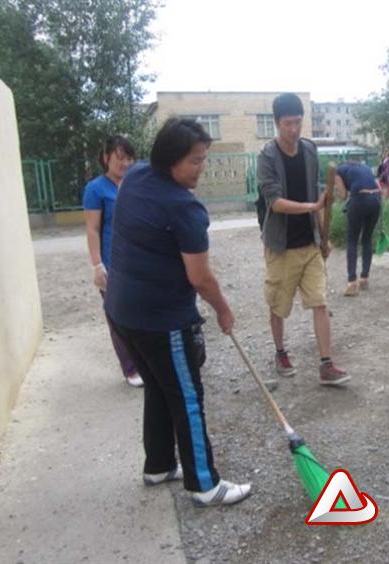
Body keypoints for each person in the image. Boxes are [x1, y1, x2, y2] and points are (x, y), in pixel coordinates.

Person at [104, 118, 251, 506]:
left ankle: (159, 465)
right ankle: (205, 485)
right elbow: (200, 277)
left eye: (204, 159)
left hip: (122, 311)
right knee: (186, 396)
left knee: (157, 385)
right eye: (195, 161)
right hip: (160, 320)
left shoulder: (135, 177)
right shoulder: (183, 207)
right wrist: (224, 310)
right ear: (170, 160)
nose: (202, 168)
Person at [257, 93, 349, 386]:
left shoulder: (309, 151)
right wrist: (313, 207)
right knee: (278, 306)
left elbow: (316, 194)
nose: (294, 130)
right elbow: (275, 202)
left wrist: (322, 234)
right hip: (281, 246)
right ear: (277, 123)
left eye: (298, 122)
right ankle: (281, 352)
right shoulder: (266, 157)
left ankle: (326, 364)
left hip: (309, 245)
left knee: (319, 302)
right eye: (287, 124)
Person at [82, 135, 143, 387]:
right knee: (119, 319)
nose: (125, 163)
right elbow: (93, 229)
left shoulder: (135, 183)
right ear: (106, 158)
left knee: (141, 315)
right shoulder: (96, 189)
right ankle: (130, 368)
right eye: (119, 157)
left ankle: (145, 363)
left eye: (129, 158)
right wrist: (97, 265)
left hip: (137, 262)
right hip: (112, 264)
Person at [335, 161, 382, 296]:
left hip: (360, 199)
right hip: (376, 199)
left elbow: (343, 195)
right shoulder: (365, 167)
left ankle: (352, 282)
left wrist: (337, 192)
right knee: (367, 238)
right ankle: (364, 278)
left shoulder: (338, 172)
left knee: (352, 240)